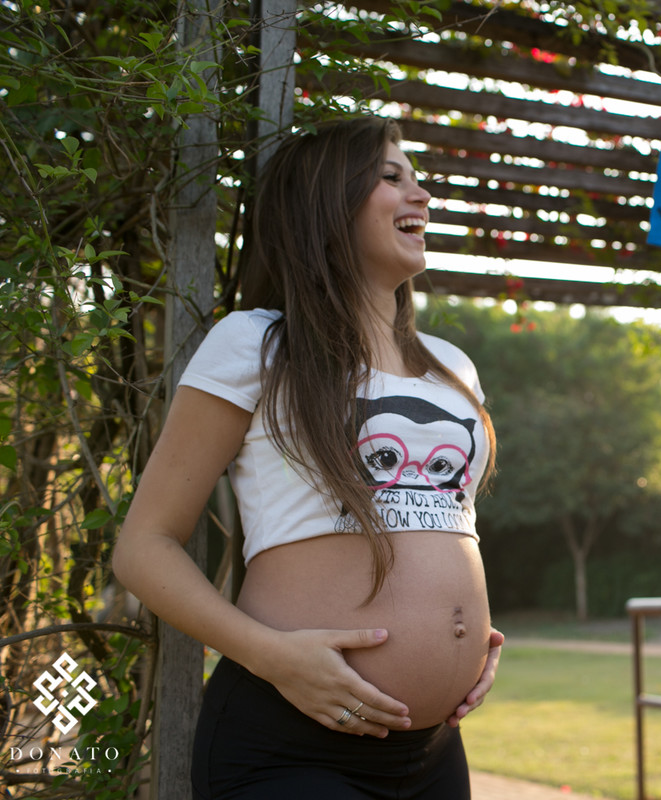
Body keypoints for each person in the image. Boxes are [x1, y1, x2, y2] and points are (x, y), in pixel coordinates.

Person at [112, 116, 503, 799]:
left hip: (436, 751)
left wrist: (469, 638)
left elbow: (443, 526)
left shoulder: (454, 367)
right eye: (391, 177)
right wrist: (272, 657)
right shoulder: (257, 344)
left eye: (417, 180)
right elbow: (144, 547)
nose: (421, 195)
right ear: (328, 202)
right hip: (293, 745)